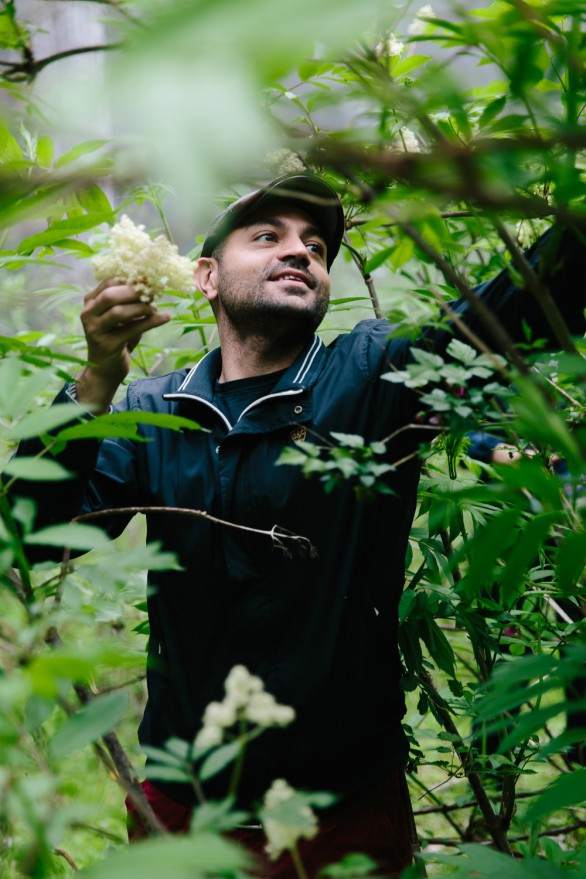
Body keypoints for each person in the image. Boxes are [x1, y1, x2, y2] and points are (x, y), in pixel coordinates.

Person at [11, 173, 586, 877]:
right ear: (206, 277)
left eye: (316, 245)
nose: (301, 252)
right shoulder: (154, 411)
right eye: (268, 236)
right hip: (182, 814)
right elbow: (31, 533)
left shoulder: (373, 376)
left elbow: (510, 313)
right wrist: (96, 379)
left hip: (341, 809)